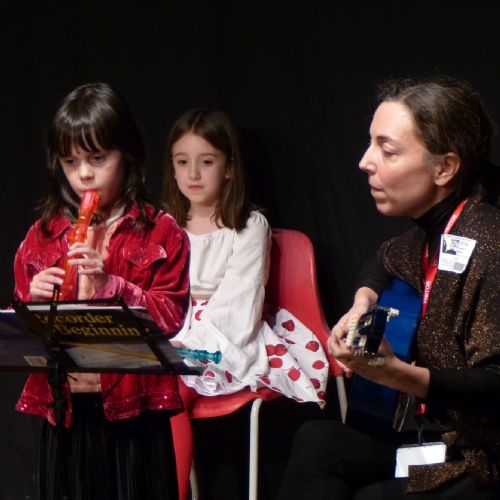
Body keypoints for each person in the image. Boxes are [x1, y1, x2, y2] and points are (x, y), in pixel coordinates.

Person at [278, 77, 500, 499]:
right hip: (447, 440)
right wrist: (361, 303)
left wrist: (399, 375)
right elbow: (381, 261)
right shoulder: (427, 236)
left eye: (388, 150)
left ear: (444, 168)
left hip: (486, 458)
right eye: (370, 144)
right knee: (317, 441)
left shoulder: (490, 244)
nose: (365, 162)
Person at [14, 82, 190, 500]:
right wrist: (32, 305)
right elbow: (22, 331)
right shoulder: (41, 235)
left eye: (97, 158)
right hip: (67, 410)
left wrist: (113, 286)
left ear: (126, 154)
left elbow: (170, 317)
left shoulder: (162, 230)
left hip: (135, 412)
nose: (83, 175)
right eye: (70, 161)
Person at [163, 108, 329, 499]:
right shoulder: (165, 225)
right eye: (182, 162)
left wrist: (187, 346)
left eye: (207, 162)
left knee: (168, 390)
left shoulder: (248, 226)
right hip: (174, 326)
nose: (193, 174)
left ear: (230, 168)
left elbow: (239, 302)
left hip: (227, 334)